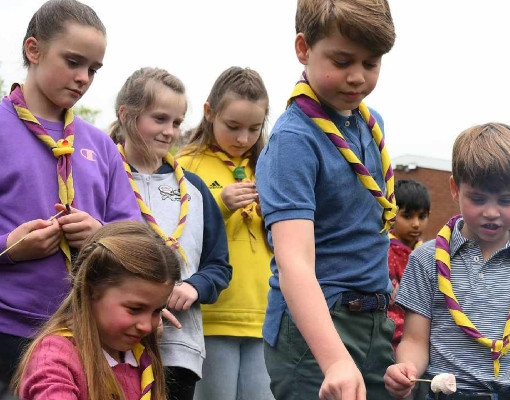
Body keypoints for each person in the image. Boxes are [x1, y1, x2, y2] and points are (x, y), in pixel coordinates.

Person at [255, 0, 397, 398]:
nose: (357, 77)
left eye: (371, 63)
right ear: (304, 49)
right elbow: (294, 262)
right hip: (318, 330)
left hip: (374, 320)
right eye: (342, 61)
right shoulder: (294, 140)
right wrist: (334, 360)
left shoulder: (371, 124)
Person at [0, 0, 141, 385]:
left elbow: (135, 238)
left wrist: (101, 236)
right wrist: (10, 247)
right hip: (6, 328)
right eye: (73, 62)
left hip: (81, 334)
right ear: (34, 50)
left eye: (93, 69)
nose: (83, 78)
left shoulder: (101, 145)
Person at [384, 123, 510, 400]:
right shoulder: (426, 260)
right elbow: (415, 340)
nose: (491, 212)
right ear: (455, 188)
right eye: (478, 199)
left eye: (505, 200)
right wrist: (406, 367)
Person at [109, 67, 232, 400]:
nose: (169, 131)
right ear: (126, 115)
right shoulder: (104, 176)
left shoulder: (195, 189)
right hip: (113, 344)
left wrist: (194, 286)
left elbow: (219, 265)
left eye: (176, 122)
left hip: (178, 346)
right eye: (160, 119)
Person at [176, 66, 274, 400]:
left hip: (263, 313)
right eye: (233, 126)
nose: (243, 138)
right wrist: (219, 203)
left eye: (254, 128)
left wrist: (273, 215)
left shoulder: (268, 164)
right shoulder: (186, 164)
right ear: (209, 112)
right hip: (211, 313)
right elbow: (174, 229)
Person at [13, 221, 181, 400]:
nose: (146, 326)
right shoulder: (55, 358)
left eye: (157, 311)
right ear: (90, 291)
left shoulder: (139, 356)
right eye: (135, 309)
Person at [388, 179, 430, 352]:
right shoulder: (386, 253)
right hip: (391, 342)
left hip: (424, 339)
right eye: (407, 216)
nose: (416, 224)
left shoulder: (429, 254)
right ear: (392, 215)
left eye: (422, 216)